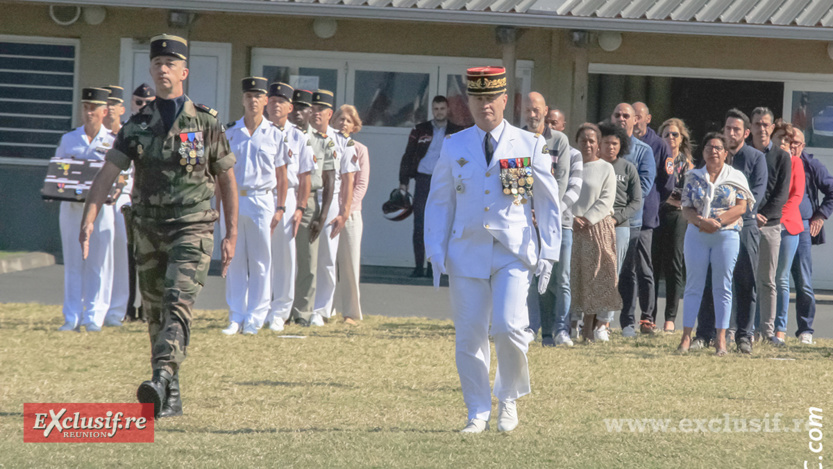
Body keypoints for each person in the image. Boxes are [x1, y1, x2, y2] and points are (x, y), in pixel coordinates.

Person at [80, 34, 238, 418]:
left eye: (170, 64)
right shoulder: (136, 126)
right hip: (148, 229)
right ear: (151, 70)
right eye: (157, 64)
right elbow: (108, 173)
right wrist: (89, 216)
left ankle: (162, 375)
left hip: (193, 226)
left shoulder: (203, 122)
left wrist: (231, 233)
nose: (163, 69)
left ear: (184, 72)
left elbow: (227, 179)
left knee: (177, 301)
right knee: (154, 313)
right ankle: (169, 391)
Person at [424, 66, 560, 433]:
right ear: (468, 102)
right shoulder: (455, 145)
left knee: (510, 327)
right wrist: (434, 247)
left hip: (512, 250)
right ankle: (477, 410)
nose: (486, 106)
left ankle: (509, 399)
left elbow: (548, 201)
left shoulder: (528, 144)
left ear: (505, 101)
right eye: (478, 99)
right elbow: (439, 200)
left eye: (492, 99)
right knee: (469, 335)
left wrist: (549, 251)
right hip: (467, 250)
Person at [692, 109, 767, 354]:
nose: (731, 133)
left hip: (743, 229)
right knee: (710, 282)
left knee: (745, 283)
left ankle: (744, 336)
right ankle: (704, 334)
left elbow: (754, 195)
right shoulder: (712, 157)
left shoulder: (755, 158)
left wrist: (724, 217)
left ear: (746, 133)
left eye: (736, 129)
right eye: (727, 128)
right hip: (711, 230)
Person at [221, 77, 287, 335]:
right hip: (236, 198)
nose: (253, 101)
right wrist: (217, 208)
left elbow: (282, 174)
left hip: (262, 199)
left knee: (261, 261)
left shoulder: (274, 134)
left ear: (265, 101)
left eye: (258, 96)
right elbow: (221, 174)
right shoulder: (230, 132)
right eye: (249, 96)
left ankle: (256, 317)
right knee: (234, 258)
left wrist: (280, 207)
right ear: (243, 100)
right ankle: (236, 315)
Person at [678, 133, 753, 356]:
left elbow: (741, 207)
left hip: (726, 234)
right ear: (703, 152)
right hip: (697, 233)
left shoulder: (736, 177)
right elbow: (686, 207)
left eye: (718, 148)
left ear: (725, 153)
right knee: (694, 286)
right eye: (709, 147)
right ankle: (685, 337)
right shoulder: (693, 176)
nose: (714, 151)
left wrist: (718, 222)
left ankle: (721, 339)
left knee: (723, 286)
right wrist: (701, 221)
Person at [56, 87, 115, 333]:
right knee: (73, 262)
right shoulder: (69, 139)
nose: (89, 112)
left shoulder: (113, 141)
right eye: (86, 107)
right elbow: (58, 171)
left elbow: (125, 175)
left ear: (104, 111)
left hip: (102, 209)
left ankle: (94, 316)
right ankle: (72, 316)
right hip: (72, 208)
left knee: (98, 264)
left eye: (94, 108)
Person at [520, 92, 575, 345]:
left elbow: (561, 181)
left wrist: (544, 212)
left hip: (557, 221)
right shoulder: (515, 138)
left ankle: (561, 330)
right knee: (529, 276)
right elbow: (515, 183)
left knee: (560, 278)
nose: (532, 115)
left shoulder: (560, 141)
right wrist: (527, 210)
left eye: (536, 110)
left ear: (545, 110)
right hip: (524, 221)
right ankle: (531, 326)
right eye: (528, 110)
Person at [264, 82, 314, 332]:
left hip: (290, 197)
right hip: (262, 195)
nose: (275, 105)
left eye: (281, 101)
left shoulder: (299, 136)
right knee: (261, 255)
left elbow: (305, 176)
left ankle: (280, 311)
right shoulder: (258, 132)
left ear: (289, 107)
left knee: (284, 257)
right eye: (271, 100)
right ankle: (259, 308)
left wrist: (300, 208)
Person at [399, 96, 465, 277]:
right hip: (423, 180)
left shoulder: (457, 131)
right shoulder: (420, 130)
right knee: (420, 224)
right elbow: (408, 155)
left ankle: (435, 267)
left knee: (443, 224)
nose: (439, 112)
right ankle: (419, 266)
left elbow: (464, 159)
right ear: (432, 110)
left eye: (442, 109)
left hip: (446, 182)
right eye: (436, 109)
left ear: (448, 110)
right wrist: (403, 182)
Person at [310, 90, 360, 324]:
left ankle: (321, 310)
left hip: (331, 202)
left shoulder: (342, 140)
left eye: (321, 110)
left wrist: (344, 211)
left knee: (327, 258)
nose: (316, 113)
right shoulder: (301, 136)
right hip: (305, 198)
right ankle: (299, 306)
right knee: (302, 256)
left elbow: (349, 179)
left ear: (329, 114)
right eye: (314, 108)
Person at [570, 123, 620, 343]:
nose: (588, 144)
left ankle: (589, 329)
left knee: (594, 278)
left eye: (592, 141)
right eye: (583, 140)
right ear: (577, 142)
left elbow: (606, 198)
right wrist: (570, 217)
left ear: (598, 144)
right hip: (570, 226)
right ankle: (569, 326)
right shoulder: (570, 165)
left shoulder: (605, 168)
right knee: (572, 277)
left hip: (596, 227)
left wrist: (587, 219)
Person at [610, 103, 656, 336]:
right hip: (600, 221)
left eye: (625, 115)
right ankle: (600, 320)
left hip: (631, 222)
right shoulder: (603, 147)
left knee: (627, 273)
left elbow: (645, 187)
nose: (621, 118)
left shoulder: (643, 151)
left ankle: (627, 321)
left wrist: (619, 210)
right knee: (601, 271)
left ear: (635, 120)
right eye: (617, 114)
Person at [749, 108, 791, 343]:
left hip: (770, 226)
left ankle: (766, 332)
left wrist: (761, 215)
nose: (762, 128)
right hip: (743, 224)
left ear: (772, 128)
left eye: (766, 124)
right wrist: (748, 215)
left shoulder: (782, 157)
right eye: (757, 124)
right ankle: (742, 330)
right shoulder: (740, 155)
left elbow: (781, 195)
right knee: (742, 279)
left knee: (767, 280)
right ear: (751, 127)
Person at [633, 102, 673, 331]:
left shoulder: (658, 145)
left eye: (640, 116)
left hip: (646, 215)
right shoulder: (621, 141)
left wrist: (655, 201)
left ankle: (647, 315)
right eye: (633, 116)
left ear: (648, 119)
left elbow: (668, 182)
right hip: (619, 215)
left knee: (644, 266)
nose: (636, 120)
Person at [791, 128, 833, 345]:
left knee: (803, 281)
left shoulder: (812, 165)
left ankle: (805, 329)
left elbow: (832, 190)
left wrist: (820, 216)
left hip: (802, 229)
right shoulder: (774, 160)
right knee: (770, 281)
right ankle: (767, 329)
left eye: (797, 143)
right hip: (775, 226)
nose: (792, 146)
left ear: (803, 145)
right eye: (788, 141)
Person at [652, 118, 694, 332]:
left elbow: (691, 194)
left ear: (682, 138)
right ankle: (649, 317)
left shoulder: (688, 165)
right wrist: (666, 198)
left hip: (678, 216)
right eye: (666, 134)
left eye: (674, 134)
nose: (670, 137)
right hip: (656, 213)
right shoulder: (655, 158)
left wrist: (675, 200)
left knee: (674, 264)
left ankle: (670, 318)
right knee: (652, 263)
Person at [290, 88, 326, 326]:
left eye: (304, 108)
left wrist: (322, 214)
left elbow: (329, 179)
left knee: (307, 261)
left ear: (311, 111)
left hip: (310, 199)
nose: (298, 112)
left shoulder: (321, 141)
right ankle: (277, 309)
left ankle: (302, 312)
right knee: (278, 259)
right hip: (283, 197)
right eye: (295, 107)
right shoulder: (280, 135)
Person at [333, 104, 369, 325]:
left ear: (355, 126)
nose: (343, 123)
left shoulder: (360, 149)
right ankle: (321, 310)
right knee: (325, 264)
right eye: (339, 119)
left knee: (349, 265)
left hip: (351, 214)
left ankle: (350, 313)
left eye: (348, 120)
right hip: (327, 212)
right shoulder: (325, 145)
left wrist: (345, 210)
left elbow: (361, 184)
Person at [771, 125, 806, 345]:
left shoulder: (796, 163)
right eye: (780, 139)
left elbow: (796, 196)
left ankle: (780, 330)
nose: (784, 144)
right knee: (763, 279)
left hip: (787, 227)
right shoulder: (765, 161)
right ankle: (759, 327)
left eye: (787, 140)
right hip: (765, 226)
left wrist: (777, 216)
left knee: (781, 279)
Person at [102, 85, 133, 327]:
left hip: (123, 200)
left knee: (121, 255)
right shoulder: (97, 136)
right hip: (101, 199)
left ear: (122, 109)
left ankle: (116, 310)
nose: (110, 108)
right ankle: (96, 306)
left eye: (115, 104)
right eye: (107, 103)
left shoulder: (129, 134)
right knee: (99, 255)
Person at [598, 122, 641, 276]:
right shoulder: (590, 166)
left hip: (619, 226)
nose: (610, 147)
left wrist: (616, 219)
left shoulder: (628, 168)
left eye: (615, 143)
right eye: (607, 143)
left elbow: (636, 201)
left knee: (612, 274)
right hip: (592, 224)